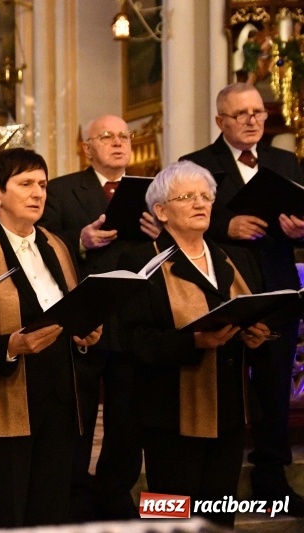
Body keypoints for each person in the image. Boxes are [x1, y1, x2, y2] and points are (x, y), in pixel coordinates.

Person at [0, 148, 101, 528]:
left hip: (59, 403)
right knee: (4, 516)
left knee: (50, 516)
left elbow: (71, 311)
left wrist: (85, 331)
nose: (38, 193)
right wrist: (8, 347)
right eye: (26, 183)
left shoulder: (56, 244)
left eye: (42, 184)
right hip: (0, 405)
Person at [118, 160, 271, 528]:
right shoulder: (140, 261)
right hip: (168, 411)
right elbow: (134, 339)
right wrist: (195, 341)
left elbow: (255, 313)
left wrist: (258, 334)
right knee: (170, 514)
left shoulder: (236, 257)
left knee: (219, 513)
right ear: (161, 211)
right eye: (187, 197)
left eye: (206, 196)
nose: (200, 203)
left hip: (229, 406)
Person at [181, 82, 304, 515]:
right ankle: (214, 483)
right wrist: (225, 226)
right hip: (223, 289)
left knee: (275, 388)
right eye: (240, 114)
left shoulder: (284, 161)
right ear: (220, 121)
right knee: (220, 385)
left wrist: (300, 229)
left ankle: (271, 478)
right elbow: (177, 220)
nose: (252, 120)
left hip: (277, 288)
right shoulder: (196, 164)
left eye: (257, 112)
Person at [39, 114, 159, 521]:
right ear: (86, 147)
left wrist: (159, 233)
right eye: (107, 136)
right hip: (85, 319)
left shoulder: (152, 192)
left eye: (125, 135)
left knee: (127, 418)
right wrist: (80, 240)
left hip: (134, 318)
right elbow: (41, 245)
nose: (119, 142)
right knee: (79, 416)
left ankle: (114, 493)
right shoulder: (60, 190)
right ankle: (74, 496)